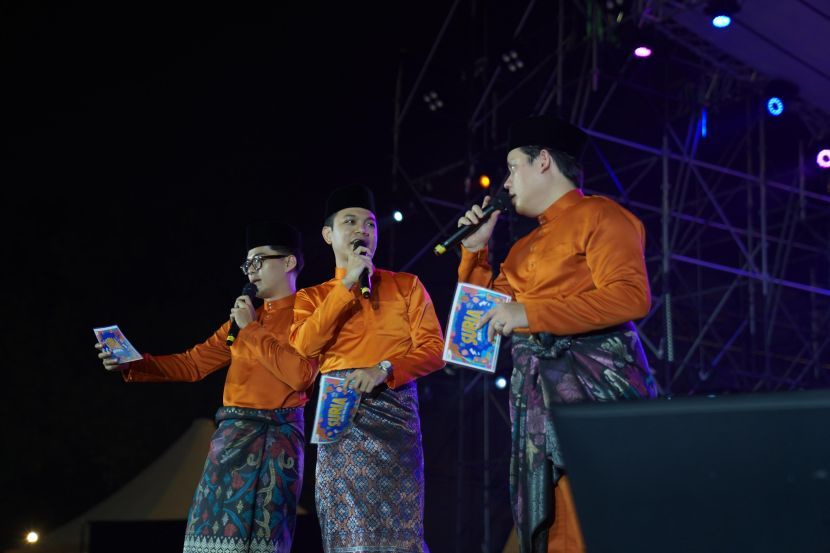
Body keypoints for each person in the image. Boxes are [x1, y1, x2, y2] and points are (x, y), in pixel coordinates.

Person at [456, 115, 659, 553]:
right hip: (538, 415)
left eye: (513, 167)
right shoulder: (521, 249)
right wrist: (475, 251)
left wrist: (530, 313)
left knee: (596, 518)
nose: (507, 183)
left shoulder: (602, 215)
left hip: (595, 406)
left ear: (543, 161)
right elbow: (473, 335)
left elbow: (630, 298)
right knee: (551, 523)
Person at [96, 221, 317, 553]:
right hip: (231, 443)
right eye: (247, 264)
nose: (250, 271)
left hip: (277, 446)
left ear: (289, 262)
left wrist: (251, 330)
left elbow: (300, 376)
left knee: (266, 539)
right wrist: (133, 364)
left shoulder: (309, 315)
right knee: (211, 538)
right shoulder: (243, 321)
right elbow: (192, 364)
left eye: (259, 261)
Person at [289, 184, 445, 553]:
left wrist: (385, 368)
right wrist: (345, 285)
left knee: (402, 532)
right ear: (328, 235)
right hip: (340, 416)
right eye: (350, 222)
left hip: (395, 418)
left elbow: (435, 350)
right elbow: (304, 346)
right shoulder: (311, 297)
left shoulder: (406, 286)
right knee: (348, 532)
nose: (363, 230)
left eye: (370, 224)